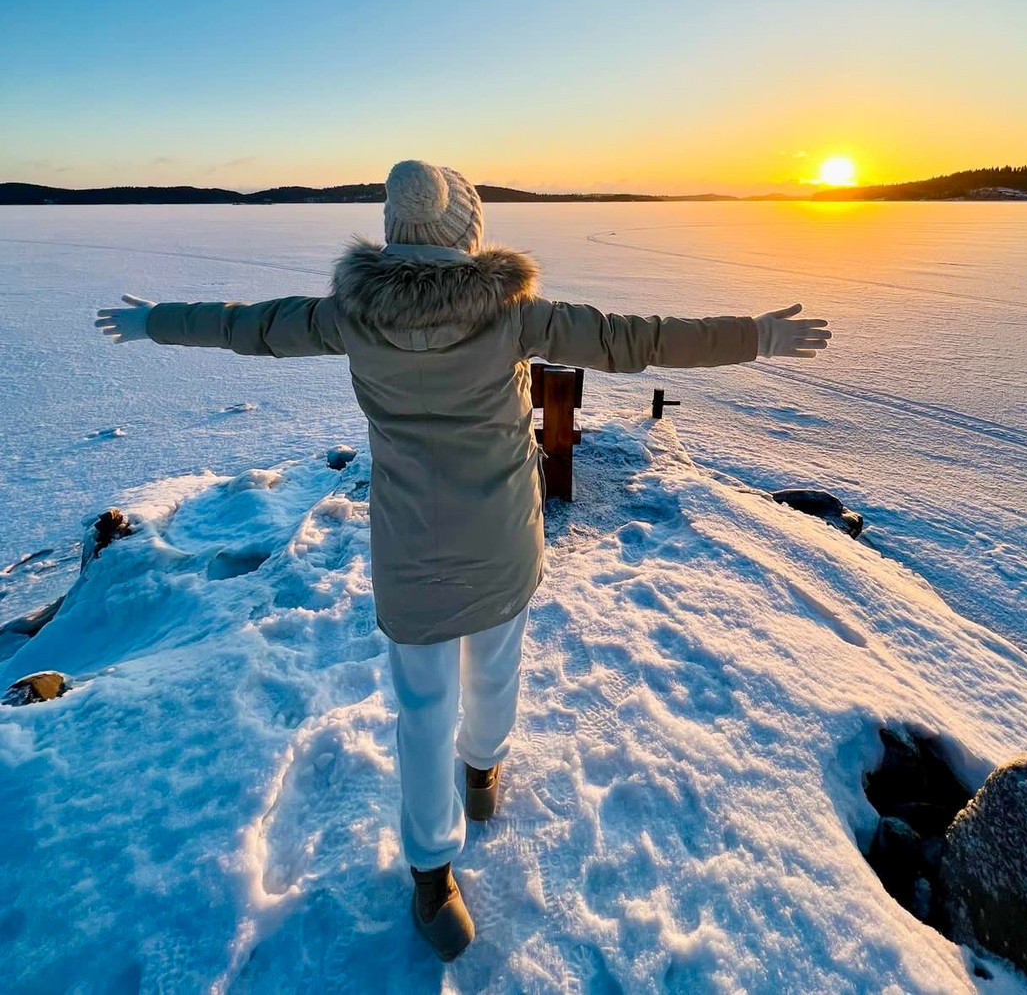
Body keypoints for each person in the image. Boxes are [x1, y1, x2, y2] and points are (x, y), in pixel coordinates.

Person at [95, 159, 831, 961]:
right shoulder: (513, 314)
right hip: (502, 539)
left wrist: (157, 320)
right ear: (466, 233)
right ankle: (483, 775)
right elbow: (636, 339)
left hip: (410, 552)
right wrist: (756, 336)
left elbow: (251, 328)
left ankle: (433, 879)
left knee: (421, 713)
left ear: (395, 232)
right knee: (495, 673)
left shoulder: (350, 316)